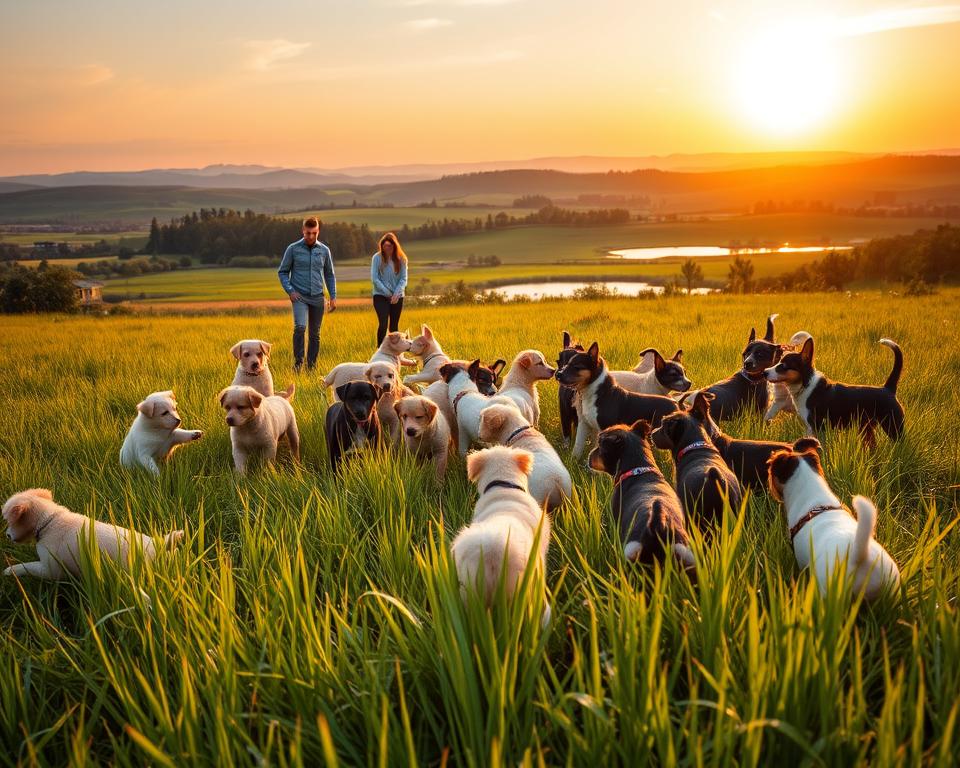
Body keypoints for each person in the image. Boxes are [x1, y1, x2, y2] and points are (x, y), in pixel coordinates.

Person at [278, 217, 336, 372]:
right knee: (300, 328)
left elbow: (329, 274)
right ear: (303, 231)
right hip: (300, 297)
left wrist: (333, 297)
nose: (310, 236)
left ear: (318, 231)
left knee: (315, 334)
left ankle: (311, 367)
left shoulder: (324, 250)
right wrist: (290, 291)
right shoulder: (293, 249)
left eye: (314, 233)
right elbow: (283, 272)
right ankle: (298, 364)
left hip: (318, 297)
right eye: (308, 233)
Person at [371, 232, 409, 346]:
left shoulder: (402, 259)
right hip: (380, 295)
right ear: (382, 246)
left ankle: (394, 354)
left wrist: (396, 294)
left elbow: (403, 279)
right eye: (385, 246)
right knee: (383, 323)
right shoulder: (376, 258)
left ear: (394, 246)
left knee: (394, 327)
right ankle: (379, 351)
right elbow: (375, 279)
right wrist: (387, 293)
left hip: (397, 297)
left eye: (390, 246)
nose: (387, 248)